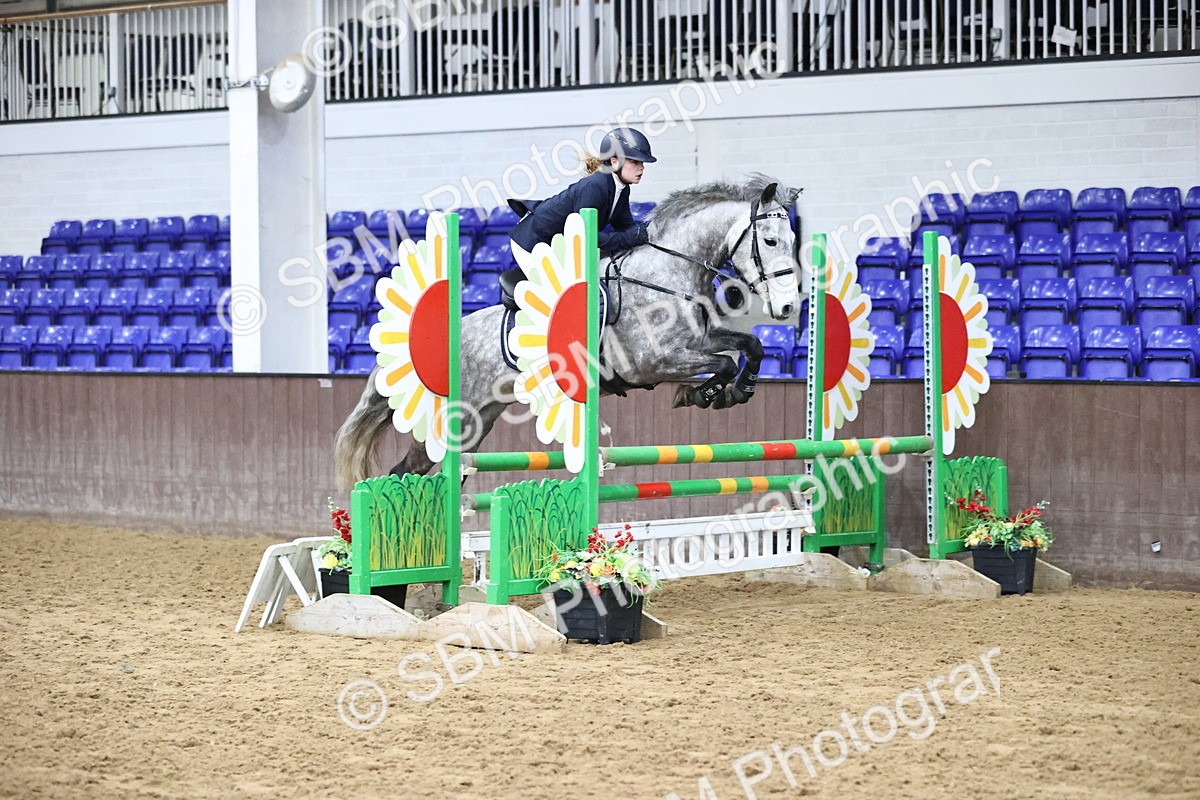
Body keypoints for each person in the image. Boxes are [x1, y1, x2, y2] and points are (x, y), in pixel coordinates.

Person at [509, 127, 655, 262]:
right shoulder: (595, 186)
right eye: (634, 162)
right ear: (614, 162)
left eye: (642, 163)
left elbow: (625, 227)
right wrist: (626, 239)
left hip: (556, 245)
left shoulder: (622, 189)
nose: (641, 167)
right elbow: (583, 235)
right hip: (531, 242)